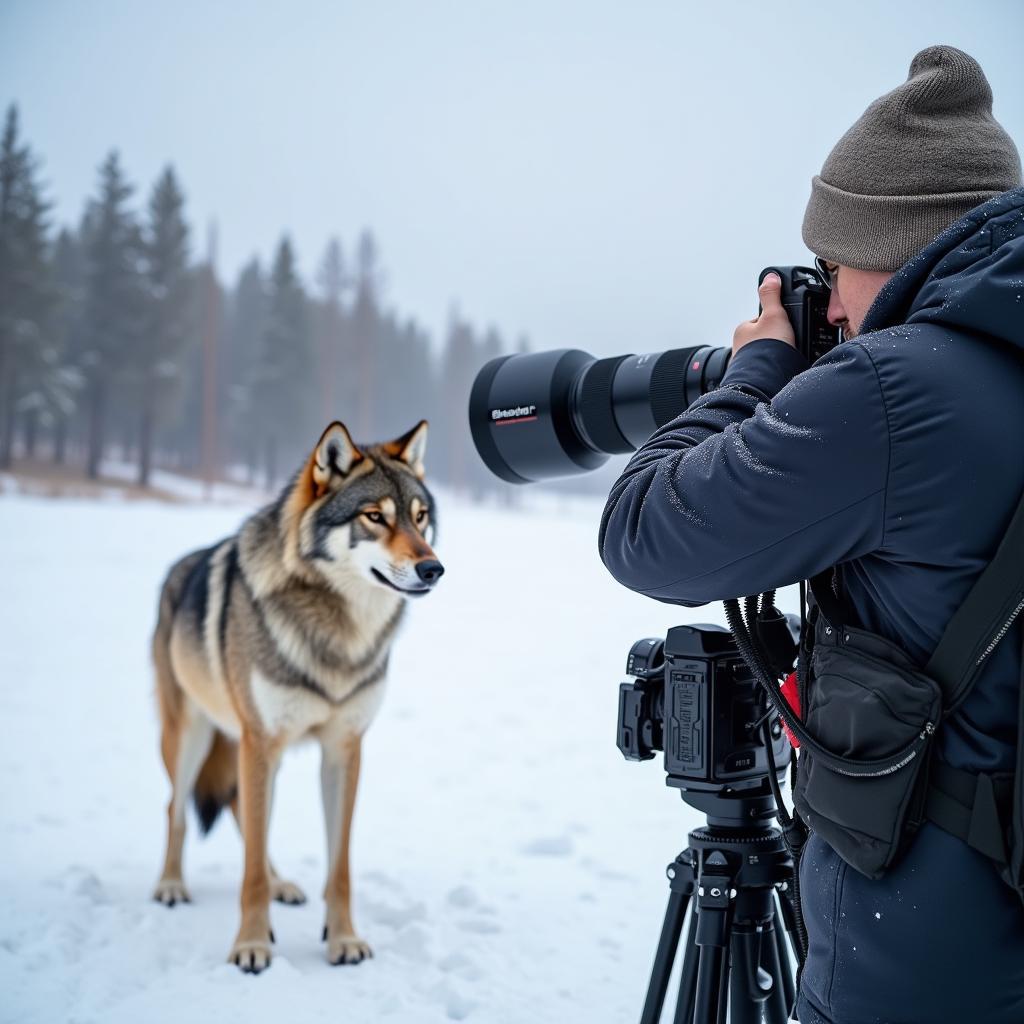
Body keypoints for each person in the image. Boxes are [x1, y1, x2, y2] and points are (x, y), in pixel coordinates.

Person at [598, 45, 1024, 1024]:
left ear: (902, 242)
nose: (828, 305)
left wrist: (753, 379)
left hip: (913, 977)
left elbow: (642, 531)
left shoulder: (889, 390)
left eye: (834, 268)